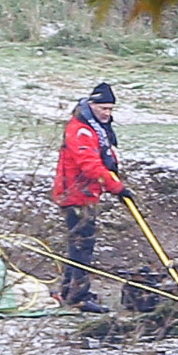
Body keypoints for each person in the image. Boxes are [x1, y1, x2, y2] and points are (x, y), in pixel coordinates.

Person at [52, 82, 134, 313]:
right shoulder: (81, 130)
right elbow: (90, 166)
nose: (107, 114)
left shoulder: (94, 128)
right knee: (82, 246)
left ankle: (69, 290)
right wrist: (116, 188)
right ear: (91, 105)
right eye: (103, 109)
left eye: (110, 110)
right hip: (75, 196)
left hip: (85, 195)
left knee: (78, 245)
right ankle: (78, 297)